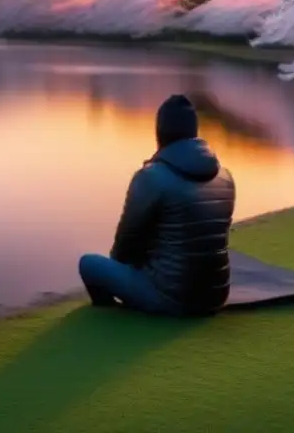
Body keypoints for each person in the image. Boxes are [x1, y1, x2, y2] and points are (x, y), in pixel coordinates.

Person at [78, 94, 236, 317]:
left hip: (171, 299)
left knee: (89, 264)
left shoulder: (151, 177)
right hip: (217, 296)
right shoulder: (226, 176)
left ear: (160, 133)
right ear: (194, 132)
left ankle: (113, 319)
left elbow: (124, 249)